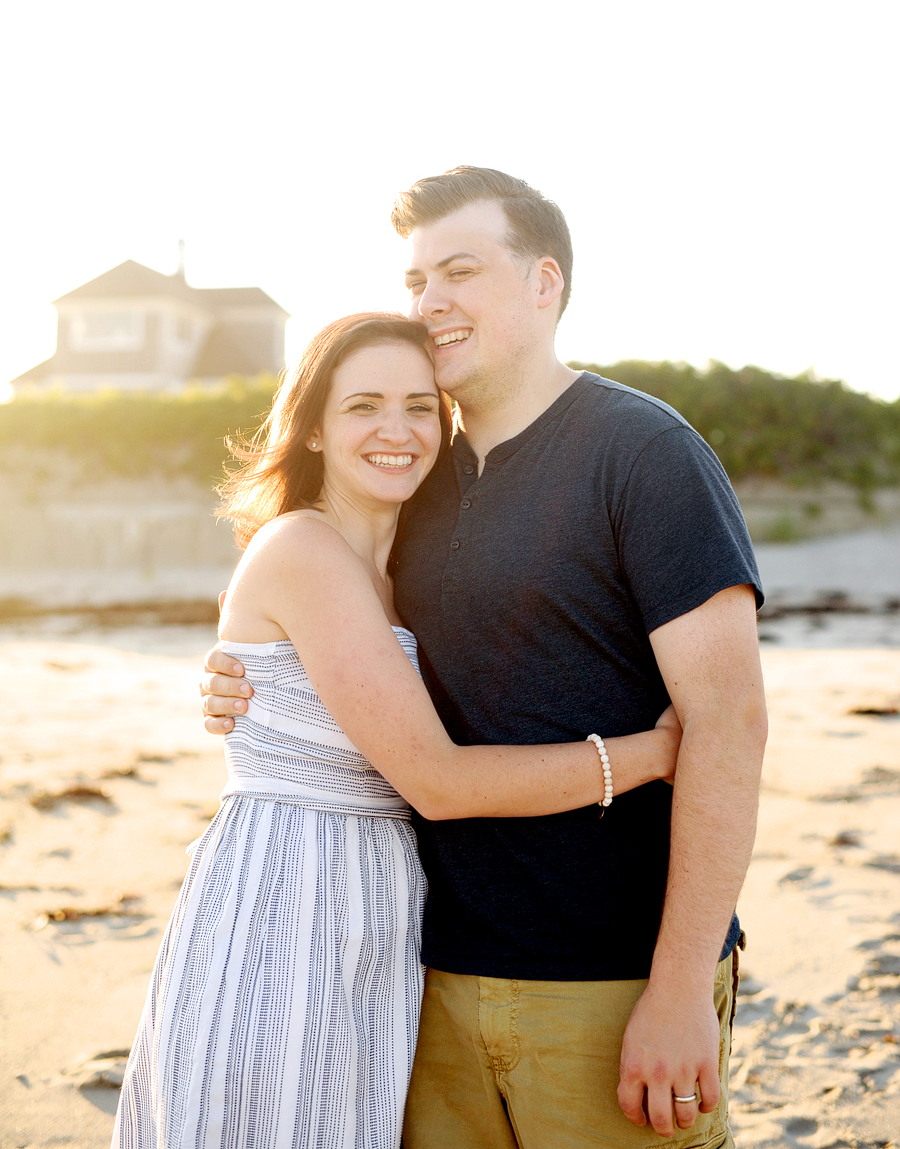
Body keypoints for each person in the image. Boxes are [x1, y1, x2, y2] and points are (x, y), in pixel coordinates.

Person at [202, 168, 768, 1148]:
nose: (429, 302)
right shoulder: (412, 479)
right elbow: (329, 631)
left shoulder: (646, 453)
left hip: (609, 977)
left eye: (458, 270)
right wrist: (240, 683)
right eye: (416, 279)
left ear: (544, 283)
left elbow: (729, 724)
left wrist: (678, 988)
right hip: (423, 976)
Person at [115, 311, 683, 1149]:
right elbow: (439, 782)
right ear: (311, 429)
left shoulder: (409, 562)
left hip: (373, 911)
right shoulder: (305, 551)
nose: (397, 430)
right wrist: (655, 753)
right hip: (289, 904)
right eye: (363, 406)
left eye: (421, 406)